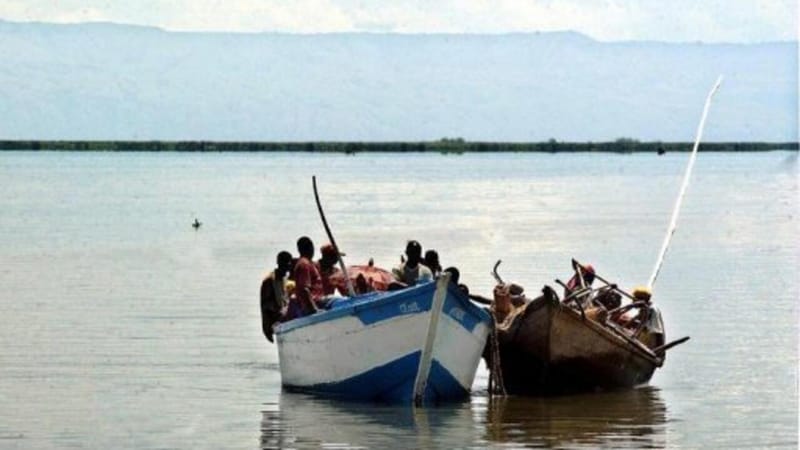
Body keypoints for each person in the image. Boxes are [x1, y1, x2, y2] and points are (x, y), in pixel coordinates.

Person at [287, 236, 324, 320]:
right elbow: (304, 289)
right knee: (337, 301)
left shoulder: (309, 263)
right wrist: (314, 310)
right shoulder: (304, 264)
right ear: (311, 248)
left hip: (315, 301)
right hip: (313, 303)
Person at [260, 250, 293, 343]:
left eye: (288, 264)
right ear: (278, 263)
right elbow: (266, 305)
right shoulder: (269, 280)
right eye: (284, 264)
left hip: (285, 316)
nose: (286, 267)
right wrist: (280, 310)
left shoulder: (285, 278)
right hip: (275, 319)